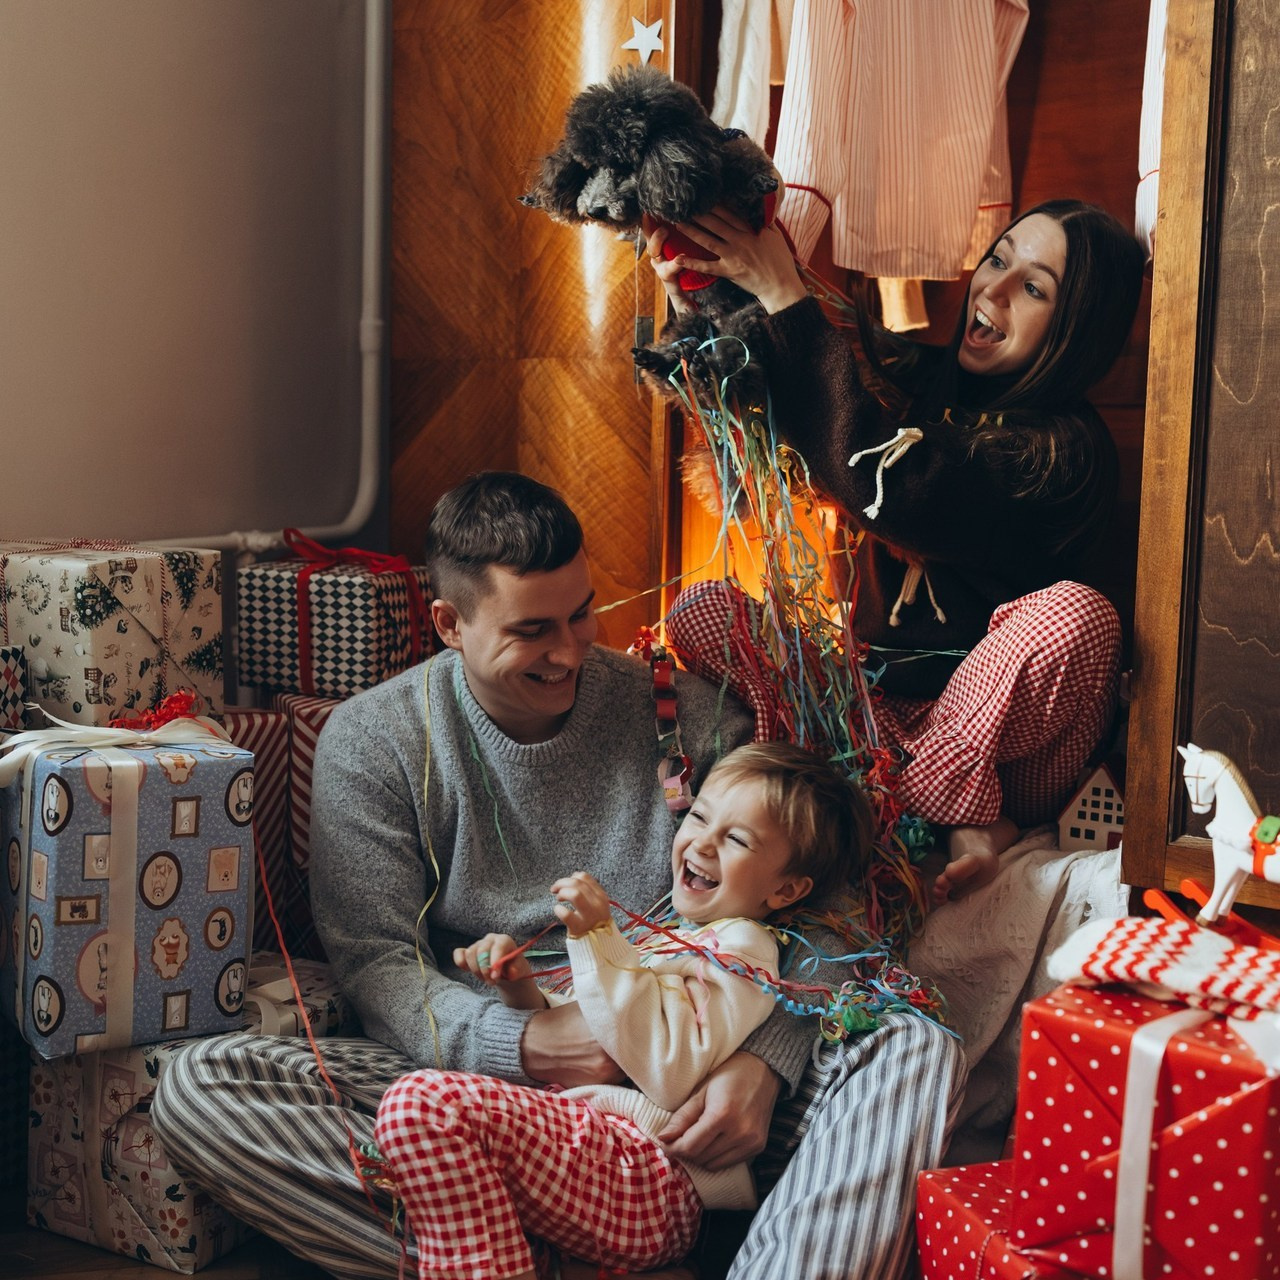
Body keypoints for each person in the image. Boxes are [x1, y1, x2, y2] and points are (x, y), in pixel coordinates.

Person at [150, 471, 965, 1280]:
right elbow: (377, 963)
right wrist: (529, 1045)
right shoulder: (374, 741)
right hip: (475, 1084)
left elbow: (824, 898)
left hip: (691, 1075)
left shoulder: (686, 712)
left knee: (915, 1044)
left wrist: (768, 1061)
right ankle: (551, 1259)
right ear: (448, 622)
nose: (571, 650)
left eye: (582, 614)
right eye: (534, 630)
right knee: (198, 1085)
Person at [644, 198, 1146, 903]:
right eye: (997, 261)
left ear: (1076, 329)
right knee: (702, 608)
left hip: (1006, 749)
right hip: (872, 715)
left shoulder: (1065, 451)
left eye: (1033, 288)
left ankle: (942, 811)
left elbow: (889, 485)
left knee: (1076, 616)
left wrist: (788, 291)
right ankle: (898, 799)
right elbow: (813, 376)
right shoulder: (921, 379)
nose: (993, 290)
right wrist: (701, 300)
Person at [374, 741, 873, 1280]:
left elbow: (666, 1065)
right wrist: (525, 994)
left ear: (786, 889)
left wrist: (598, 936)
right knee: (420, 1139)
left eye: (735, 839)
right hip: (607, 1155)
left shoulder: (744, 948)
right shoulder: (679, 937)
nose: (702, 843)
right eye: (700, 815)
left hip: (652, 1174)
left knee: (421, 1105)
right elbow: (606, 1025)